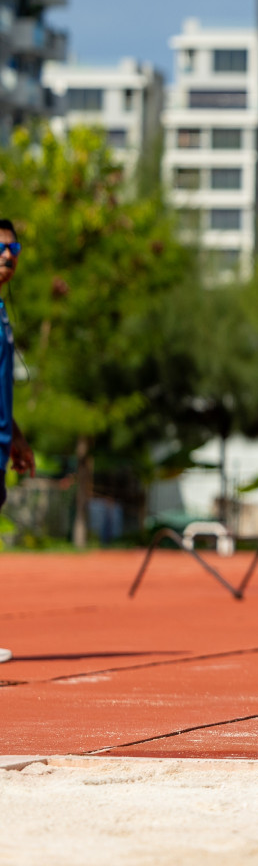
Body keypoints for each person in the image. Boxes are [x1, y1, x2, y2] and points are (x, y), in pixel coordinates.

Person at [0, 219, 36, 666]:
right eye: (0, 247)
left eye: (14, 248)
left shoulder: (3, 313)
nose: (8, 255)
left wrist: (17, 438)